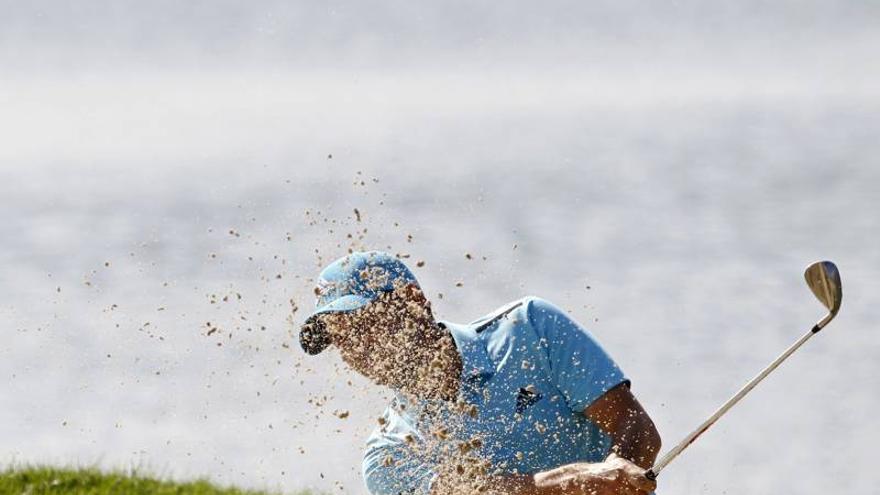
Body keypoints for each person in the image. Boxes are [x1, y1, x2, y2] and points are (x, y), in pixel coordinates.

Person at [299, 251, 661, 495]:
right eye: (340, 338)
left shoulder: (531, 327)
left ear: (412, 301)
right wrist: (579, 481)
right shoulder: (388, 457)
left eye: (363, 326)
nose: (355, 349)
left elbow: (635, 425)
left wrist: (620, 467)